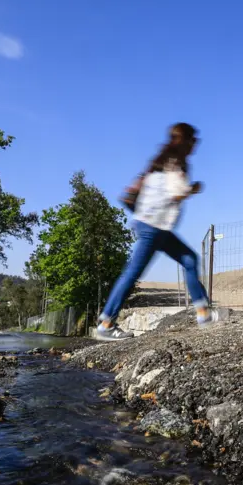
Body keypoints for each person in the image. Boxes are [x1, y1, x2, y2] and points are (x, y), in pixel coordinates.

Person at [96, 123, 219, 341]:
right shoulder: (175, 161)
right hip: (153, 227)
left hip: (155, 227)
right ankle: (106, 323)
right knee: (133, 272)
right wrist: (193, 189)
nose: (195, 145)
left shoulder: (158, 161)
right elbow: (176, 193)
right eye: (193, 141)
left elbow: (129, 195)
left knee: (189, 259)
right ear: (185, 140)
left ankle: (204, 314)